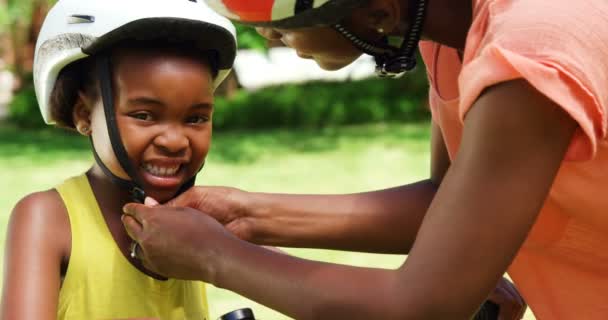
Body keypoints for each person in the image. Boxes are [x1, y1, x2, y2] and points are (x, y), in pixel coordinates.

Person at [122, 0, 607, 319]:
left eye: (280, 28)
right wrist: (244, 215)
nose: (268, 38)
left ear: (377, 12)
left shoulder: (531, 52)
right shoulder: (450, 30)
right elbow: (451, 203)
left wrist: (214, 256)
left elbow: (421, 307)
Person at [0, 0, 237, 319]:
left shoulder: (196, 222)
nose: (174, 140)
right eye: (144, 115)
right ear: (84, 114)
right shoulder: (49, 219)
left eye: (195, 119)